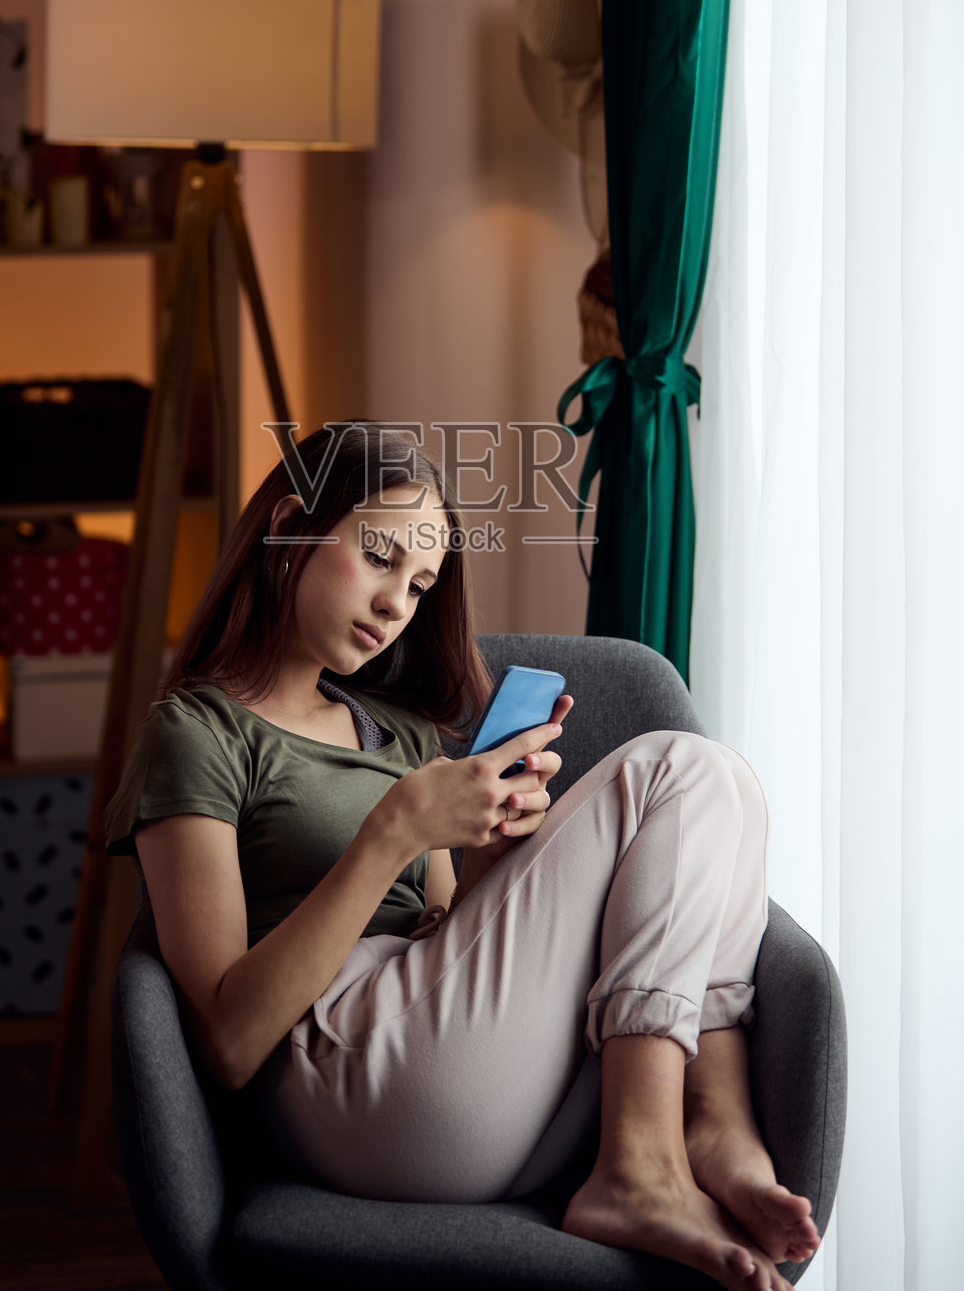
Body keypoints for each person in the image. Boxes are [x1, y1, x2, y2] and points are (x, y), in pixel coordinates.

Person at [105, 423, 820, 1291]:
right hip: (349, 1090)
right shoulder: (196, 731)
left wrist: (499, 860)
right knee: (677, 766)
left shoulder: (399, 732)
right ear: (290, 528)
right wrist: (391, 834)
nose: (395, 605)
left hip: (475, 1082)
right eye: (378, 558)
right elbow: (225, 1040)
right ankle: (644, 1160)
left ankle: (703, 1118)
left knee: (721, 791)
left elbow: (445, 934)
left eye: (417, 584)